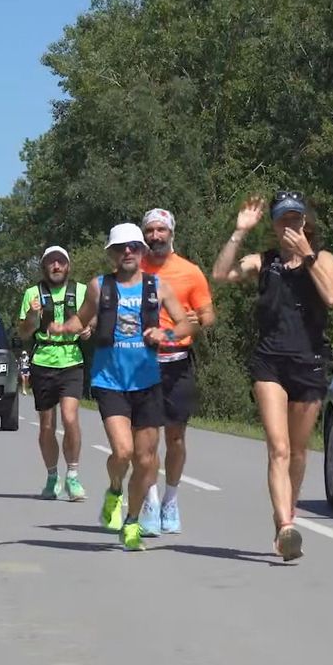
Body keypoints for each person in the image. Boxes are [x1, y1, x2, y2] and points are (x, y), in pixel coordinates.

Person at [211, 192, 333, 561]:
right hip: (270, 363)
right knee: (279, 448)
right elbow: (220, 274)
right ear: (274, 225)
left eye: (296, 219)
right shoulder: (264, 262)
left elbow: (332, 298)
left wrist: (307, 255)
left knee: (298, 452)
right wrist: (239, 232)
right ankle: (285, 526)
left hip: (309, 362)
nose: (290, 226)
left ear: (306, 222)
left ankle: (287, 514)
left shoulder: (324, 259)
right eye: (283, 220)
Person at [51, 223, 196, 550]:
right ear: (112, 254)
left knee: (146, 461)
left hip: (148, 382)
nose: (127, 252)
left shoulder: (157, 287)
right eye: (120, 248)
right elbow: (82, 319)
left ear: (142, 251)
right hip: (110, 381)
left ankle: (131, 522)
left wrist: (165, 334)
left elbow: (185, 324)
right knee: (123, 452)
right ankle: (115, 489)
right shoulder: (99, 286)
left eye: (133, 246)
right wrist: (63, 328)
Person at [136, 207, 215, 536]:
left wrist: (198, 319)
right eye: (150, 230)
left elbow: (208, 315)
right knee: (147, 439)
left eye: (161, 230)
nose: (155, 236)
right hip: (142, 362)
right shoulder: (134, 269)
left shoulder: (190, 272)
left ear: (171, 233)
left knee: (176, 437)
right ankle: (151, 501)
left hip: (178, 362)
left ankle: (171, 499)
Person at [15, 245, 91, 502]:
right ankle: (51, 476)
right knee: (47, 425)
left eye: (60, 262)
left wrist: (88, 329)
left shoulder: (81, 291)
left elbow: (92, 319)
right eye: (51, 262)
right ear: (44, 266)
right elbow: (24, 332)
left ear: (68, 266)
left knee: (70, 418)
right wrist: (32, 315)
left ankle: (73, 475)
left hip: (72, 360)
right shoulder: (32, 294)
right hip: (43, 361)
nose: (56, 266)